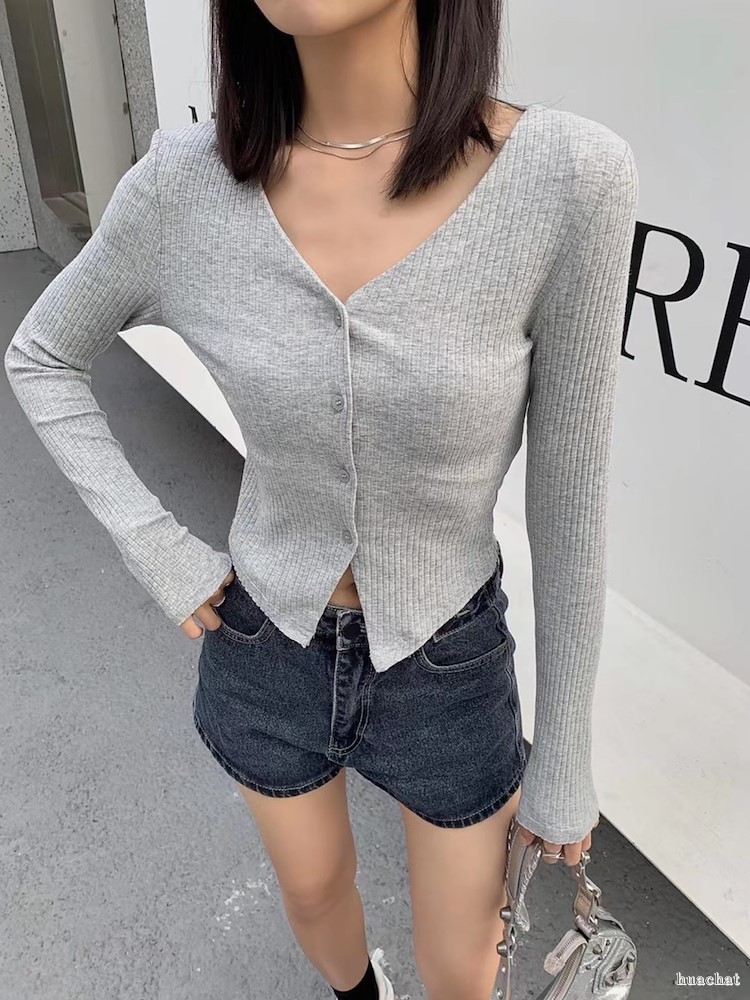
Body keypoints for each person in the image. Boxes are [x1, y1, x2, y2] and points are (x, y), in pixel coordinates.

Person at [4, 1, 639, 998]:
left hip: (447, 657)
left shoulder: (567, 177)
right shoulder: (185, 184)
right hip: (263, 639)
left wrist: (564, 751)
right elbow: (42, 353)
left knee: (466, 967)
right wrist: (154, 543)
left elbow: (571, 501)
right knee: (312, 893)